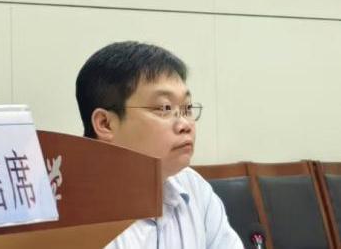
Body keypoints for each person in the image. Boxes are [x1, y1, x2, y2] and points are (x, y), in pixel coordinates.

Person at [76, 41, 240, 249]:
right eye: (164, 108)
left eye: (187, 108)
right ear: (105, 124)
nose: (185, 125)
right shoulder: (68, 211)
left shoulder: (194, 188)